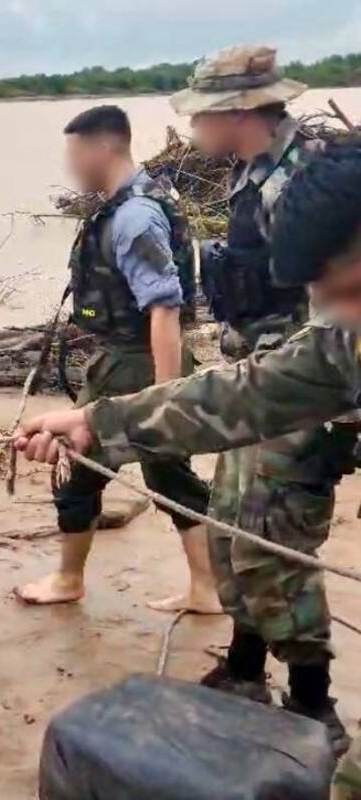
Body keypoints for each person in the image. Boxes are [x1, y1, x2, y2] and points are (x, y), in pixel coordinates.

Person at [13, 138, 361, 757]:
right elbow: (246, 393)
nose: (338, 312)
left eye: (351, 290)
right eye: (325, 295)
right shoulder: (342, 339)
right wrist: (97, 423)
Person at [173, 44, 349, 710]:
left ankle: (312, 702)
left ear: (236, 111)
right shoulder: (252, 174)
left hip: (296, 395)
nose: (194, 130)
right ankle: (246, 668)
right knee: (236, 530)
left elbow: (335, 311)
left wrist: (333, 420)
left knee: (282, 543)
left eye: (202, 115)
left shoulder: (301, 181)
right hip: (255, 381)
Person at [12, 106, 215, 612]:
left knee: (78, 467)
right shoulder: (138, 200)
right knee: (167, 474)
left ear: (103, 149)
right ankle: (207, 588)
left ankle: (68, 580)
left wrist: (165, 396)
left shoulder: (134, 216)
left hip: (136, 364)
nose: (70, 165)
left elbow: (164, 306)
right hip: (128, 360)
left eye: (74, 153)